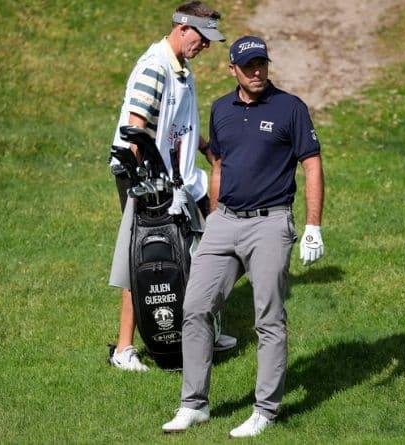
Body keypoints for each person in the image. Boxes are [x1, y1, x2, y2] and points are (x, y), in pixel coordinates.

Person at [161, 35, 326, 437]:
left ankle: (265, 410)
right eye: (248, 66)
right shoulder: (221, 109)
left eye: (261, 64)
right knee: (195, 308)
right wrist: (213, 215)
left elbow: (311, 165)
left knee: (268, 319)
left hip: (270, 224)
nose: (256, 72)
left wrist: (313, 226)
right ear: (232, 69)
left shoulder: (290, 108)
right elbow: (219, 165)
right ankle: (194, 405)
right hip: (224, 222)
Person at [107, 1, 236, 372]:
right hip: (144, 178)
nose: (206, 45)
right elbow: (135, 128)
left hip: (173, 177)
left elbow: (178, 122)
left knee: (190, 253)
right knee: (145, 257)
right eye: (202, 37)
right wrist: (140, 183)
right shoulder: (155, 66)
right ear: (182, 28)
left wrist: (205, 148)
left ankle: (201, 331)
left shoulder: (181, 66)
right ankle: (124, 349)